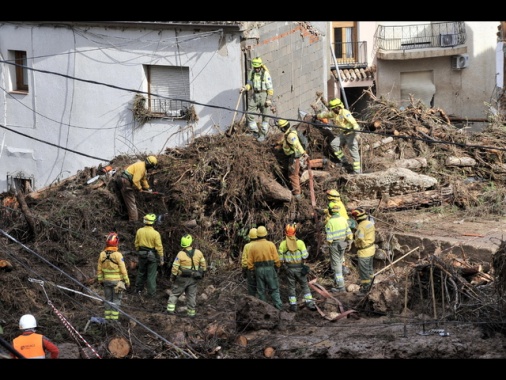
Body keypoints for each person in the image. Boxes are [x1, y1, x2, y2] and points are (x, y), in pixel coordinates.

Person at [316, 98, 361, 174]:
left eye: (333, 109)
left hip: (351, 134)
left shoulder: (345, 113)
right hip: (343, 134)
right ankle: (344, 161)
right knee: (334, 144)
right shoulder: (335, 113)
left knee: (354, 153)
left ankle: (357, 172)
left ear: (337, 107)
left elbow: (354, 123)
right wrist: (317, 116)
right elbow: (326, 114)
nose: (332, 110)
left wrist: (357, 134)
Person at [278, 223, 316, 312]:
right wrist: (307, 251)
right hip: (300, 269)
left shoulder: (283, 244)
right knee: (305, 286)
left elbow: (280, 259)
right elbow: (305, 256)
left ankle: (293, 305)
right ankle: (310, 303)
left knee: (291, 287)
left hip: (289, 269)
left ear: (285, 233)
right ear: (295, 232)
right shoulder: (300, 243)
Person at [166, 234, 207, 318]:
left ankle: (170, 310)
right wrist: (202, 273)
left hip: (182, 278)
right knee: (191, 296)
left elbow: (175, 267)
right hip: (193, 279)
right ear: (191, 242)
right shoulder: (198, 252)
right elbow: (204, 265)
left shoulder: (180, 254)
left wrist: (173, 276)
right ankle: (191, 314)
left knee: (175, 293)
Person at [246, 226, 283, 310]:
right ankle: (279, 307)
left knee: (261, 291)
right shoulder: (271, 244)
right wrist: (278, 266)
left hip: (258, 271)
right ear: (265, 234)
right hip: (270, 269)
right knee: (274, 288)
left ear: (257, 235)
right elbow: (276, 259)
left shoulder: (253, 247)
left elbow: (249, 262)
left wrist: (252, 271)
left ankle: (264, 309)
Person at [97, 232, 130, 321]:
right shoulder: (118, 255)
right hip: (117, 282)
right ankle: (114, 321)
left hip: (106, 281)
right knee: (116, 300)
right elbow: (123, 269)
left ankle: (107, 319)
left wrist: (100, 280)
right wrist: (127, 281)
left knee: (108, 299)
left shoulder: (102, 254)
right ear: (116, 243)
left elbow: (99, 269)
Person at [240, 57, 274, 142]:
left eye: (258, 68)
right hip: (255, 95)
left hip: (263, 95)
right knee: (249, 113)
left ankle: (262, 134)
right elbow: (250, 84)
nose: (257, 69)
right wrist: (245, 88)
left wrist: (269, 99)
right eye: (255, 68)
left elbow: (270, 88)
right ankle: (255, 131)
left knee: (265, 116)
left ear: (260, 66)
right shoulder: (252, 73)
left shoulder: (265, 74)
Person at [115, 155, 158, 221]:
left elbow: (143, 180)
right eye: (152, 167)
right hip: (125, 182)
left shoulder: (142, 166)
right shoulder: (141, 168)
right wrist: (140, 188)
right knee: (131, 203)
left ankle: (132, 219)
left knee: (129, 201)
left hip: (124, 180)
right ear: (149, 165)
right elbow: (135, 180)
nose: (151, 169)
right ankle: (133, 222)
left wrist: (147, 188)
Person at [274, 119, 309, 199]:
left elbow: (297, 144)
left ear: (282, 128)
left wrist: (303, 153)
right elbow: (286, 140)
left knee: (293, 175)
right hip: (294, 155)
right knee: (303, 164)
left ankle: (297, 194)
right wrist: (279, 143)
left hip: (294, 157)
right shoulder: (289, 132)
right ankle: (322, 162)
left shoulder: (291, 135)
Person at [325, 201, 353, 293]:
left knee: (337, 265)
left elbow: (329, 238)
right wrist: (349, 241)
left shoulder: (330, 222)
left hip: (335, 245)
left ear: (330, 211)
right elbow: (349, 233)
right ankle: (337, 282)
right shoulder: (343, 220)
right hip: (343, 243)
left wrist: (328, 246)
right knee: (340, 262)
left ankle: (341, 287)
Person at [134, 213, 164, 298]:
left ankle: (138, 289)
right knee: (151, 275)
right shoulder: (155, 233)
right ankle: (151, 293)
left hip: (142, 255)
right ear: (153, 222)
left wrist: (139, 251)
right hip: (152, 257)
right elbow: (159, 247)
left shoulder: (139, 231)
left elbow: (136, 244)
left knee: (141, 272)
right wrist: (161, 258)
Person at [325, 189, 352, 275]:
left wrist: (326, 223)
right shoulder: (340, 203)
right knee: (341, 251)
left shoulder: (332, 204)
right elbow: (333, 210)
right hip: (345, 223)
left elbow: (330, 216)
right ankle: (342, 268)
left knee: (337, 254)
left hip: (337, 225)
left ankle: (339, 271)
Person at [351, 208, 376, 293]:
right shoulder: (370, 223)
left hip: (364, 252)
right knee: (369, 270)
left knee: (364, 272)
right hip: (371, 249)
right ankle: (372, 285)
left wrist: (354, 241)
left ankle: (366, 289)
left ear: (356, 218)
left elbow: (360, 238)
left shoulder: (360, 227)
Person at [241, 227, 258, 296]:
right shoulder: (260, 245)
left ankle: (252, 301)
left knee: (251, 287)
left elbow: (244, 260)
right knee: (260, 286)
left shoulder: (247, 246)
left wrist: (244, 269)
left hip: (250, 269)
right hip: (259, 268)